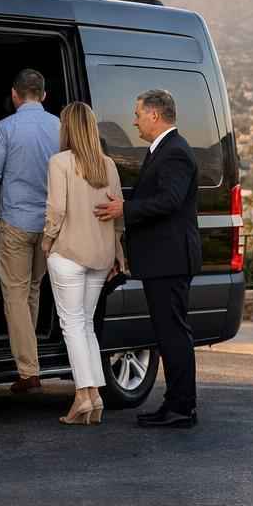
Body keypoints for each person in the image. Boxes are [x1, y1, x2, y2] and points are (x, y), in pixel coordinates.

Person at [94, 88, 202, 428]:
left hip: (170, 260)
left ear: (155, 115)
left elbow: (169, 201)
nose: (134, 120)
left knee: (173, 334)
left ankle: (182, 408)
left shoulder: (175, 153)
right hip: (162, 260)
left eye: (138, 114)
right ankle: (174, 403)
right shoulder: (164, 151)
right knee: (167, 333)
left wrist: (125, 209)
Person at [42, 102, 125, 425]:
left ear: (67, 128)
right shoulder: (108, 165)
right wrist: (118, 253)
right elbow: (117, 218)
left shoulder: (59, 162)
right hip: (101, 255)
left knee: (72, 325)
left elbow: (56, 210)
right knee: (86, 324)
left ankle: (82, 397)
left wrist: (47, 242)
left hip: (69, 254)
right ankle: (95, 395)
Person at [0, 68, 60, 392]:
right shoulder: (59, 126)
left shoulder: (4, 128)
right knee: (32, 290)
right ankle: (31, 358)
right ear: (43, 95)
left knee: (14, 295)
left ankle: (29, 370)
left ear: (14, 94)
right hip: (48, 225)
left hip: (14, 224)